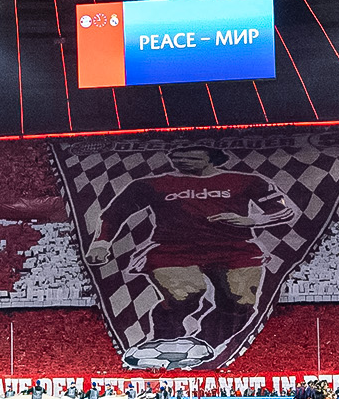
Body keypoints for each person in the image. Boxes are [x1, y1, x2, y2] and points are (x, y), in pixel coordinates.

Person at [83, 145, 299, 350]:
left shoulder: (247, 181)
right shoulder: (149, 184)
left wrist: (252, 220)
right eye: (178, 157)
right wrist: (101, 243)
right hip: (173, 249)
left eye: (192, 157)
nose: (183, 161)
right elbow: (114, 214)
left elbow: (286, 211)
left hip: (235, 248)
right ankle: (163, 343)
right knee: (185, 295)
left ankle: (204, 347)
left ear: (212, 157)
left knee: (239, 303)